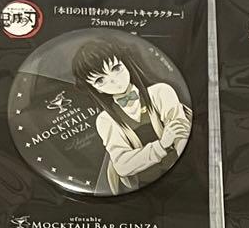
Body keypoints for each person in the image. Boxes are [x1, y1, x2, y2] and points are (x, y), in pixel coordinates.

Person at [71, 37, 191, 194]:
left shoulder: (161, 92)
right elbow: (122, 165)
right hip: (143, 190)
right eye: (100, 80)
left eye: (116, 68)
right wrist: (161, 145)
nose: (114, 81)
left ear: (126, 64)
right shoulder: (105, 120)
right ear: (96, 89)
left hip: (184, 174)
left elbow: (182, 133)